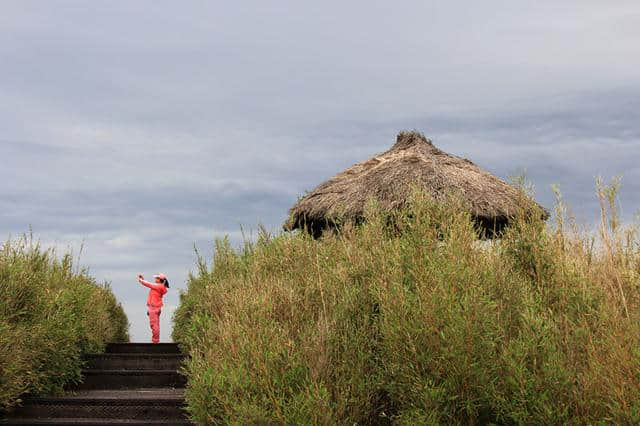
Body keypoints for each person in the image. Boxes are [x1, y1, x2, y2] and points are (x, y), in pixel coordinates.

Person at [137, 273, 169, 344]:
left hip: (154, 307)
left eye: (156, 278)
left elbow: (148, 284)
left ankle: (155, 341)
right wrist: (143, 279)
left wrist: (141, 280)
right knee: (155, 324)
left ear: (159, 280)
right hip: (155, 307)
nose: (155, 279)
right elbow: (150, 284)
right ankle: (155, 340)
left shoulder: (159, 286)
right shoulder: (160, 287)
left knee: (153, 325)